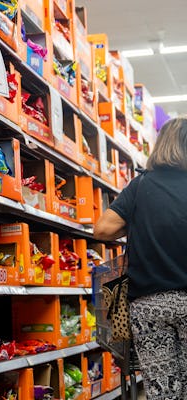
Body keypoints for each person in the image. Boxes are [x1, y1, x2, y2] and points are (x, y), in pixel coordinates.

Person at [94, 116, 187, 400]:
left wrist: (136, 220)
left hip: (149, 305)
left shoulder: (140, 186)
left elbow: (102, 229)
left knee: (162, 390)